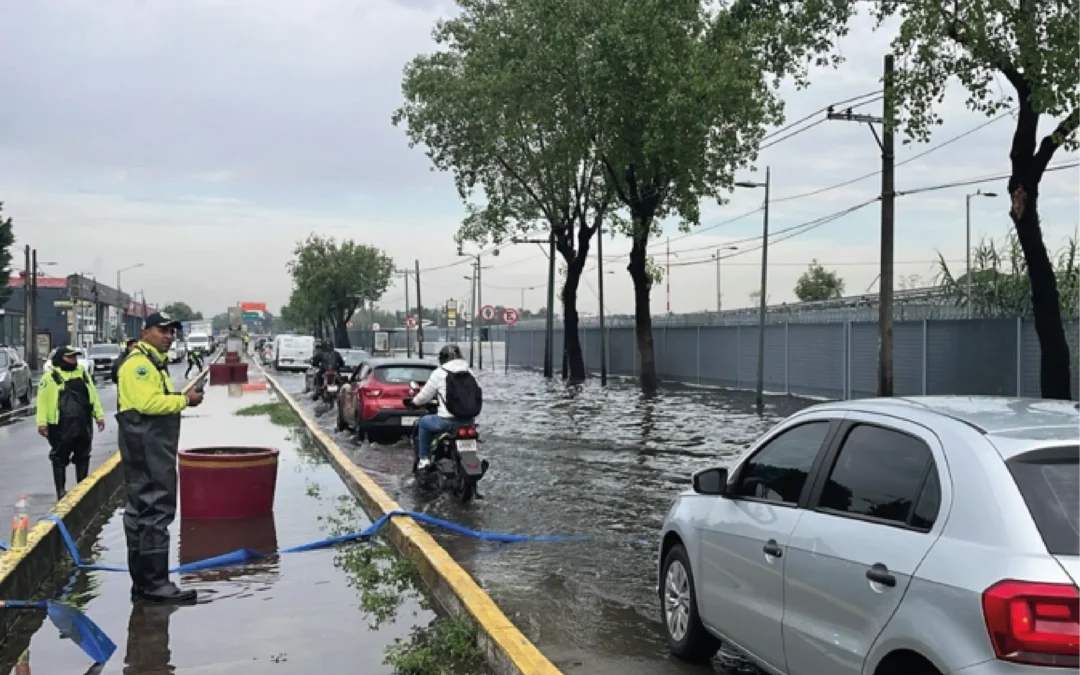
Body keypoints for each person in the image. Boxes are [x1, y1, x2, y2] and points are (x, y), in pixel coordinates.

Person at [116, 312, 204, 604]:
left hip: (148, 445)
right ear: (145, 332)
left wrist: (180, 396)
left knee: (142, 511)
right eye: (162, 330)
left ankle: (144, 583)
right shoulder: (139, 365)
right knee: (155, 510)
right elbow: (148, 403)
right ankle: (155, 585)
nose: (168, 336)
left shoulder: (152, 363)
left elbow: (154, 397)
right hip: (147, 446)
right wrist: (184, 400)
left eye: (171, 332)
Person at [35, 346, 106, 499]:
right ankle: (61, 491)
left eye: (75, 356)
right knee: (60, 457)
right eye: (69, 357)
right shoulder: (50, 377)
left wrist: (99, 416)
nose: (73, 359)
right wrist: (42, 423)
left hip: (83, 422)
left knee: (83, 455)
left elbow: (92, 395)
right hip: (60, 425)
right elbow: (42, 401)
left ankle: (82, 489)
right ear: (61, 358)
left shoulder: (83, 373)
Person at [410, 344, 483, 470]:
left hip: (447, 422)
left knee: (422, 423)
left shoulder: (440, 373)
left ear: (442, 359)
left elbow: (424, 396)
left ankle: (424, 460)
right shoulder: (470, 372)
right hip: (469, 422)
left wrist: (414, 403)